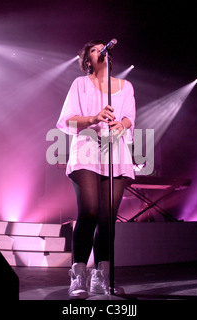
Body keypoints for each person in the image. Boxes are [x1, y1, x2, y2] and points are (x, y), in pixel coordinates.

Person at [57, 40, 136, 299]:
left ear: (109, 56)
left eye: (103, 47)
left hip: (115, 152)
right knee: (89, 212)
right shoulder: (79, 84)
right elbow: (67, 119)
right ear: (88, 60)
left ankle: (102, 276)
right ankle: (78, 273)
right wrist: (93, 118)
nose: (100, 50)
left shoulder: (126, 87)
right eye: (94, 49)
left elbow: (129, 118)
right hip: (87, 149)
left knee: (107, 219)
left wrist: (121, 125)